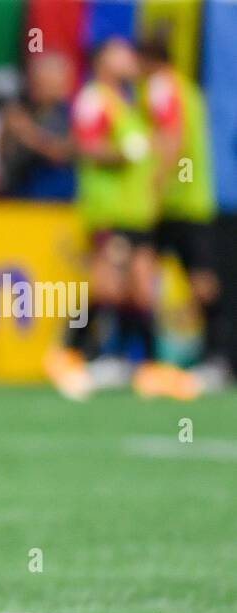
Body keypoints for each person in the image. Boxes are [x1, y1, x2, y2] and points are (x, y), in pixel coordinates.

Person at [45, 37, 191, 400]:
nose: (129, 58)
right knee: (106, 285)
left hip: (136, 210)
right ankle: (67, 352)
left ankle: (144, 366)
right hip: (110, 209)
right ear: (102, 62)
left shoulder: (127, 102)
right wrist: (122, 153)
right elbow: (84, 147)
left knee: (141, 288)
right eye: (119, 53)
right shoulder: (95, 98)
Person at [139, 34, 228, 392]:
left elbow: (170, 139)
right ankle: (157, 356)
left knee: (198, 282)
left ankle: (215, 356)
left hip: (179, 203)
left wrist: (153, 187)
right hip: (189, 200)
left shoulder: (161, 86)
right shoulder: (186, 87)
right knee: (151, 275)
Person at [0, 52, 75, 200]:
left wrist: (27, 132)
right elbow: (4, 156)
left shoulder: (72, 113)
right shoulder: (27, 111)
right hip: (24, 197)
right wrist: (7, 128)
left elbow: (64, 152)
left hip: (60, 198)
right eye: (36, 81)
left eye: (45, 82)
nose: (38, 87)